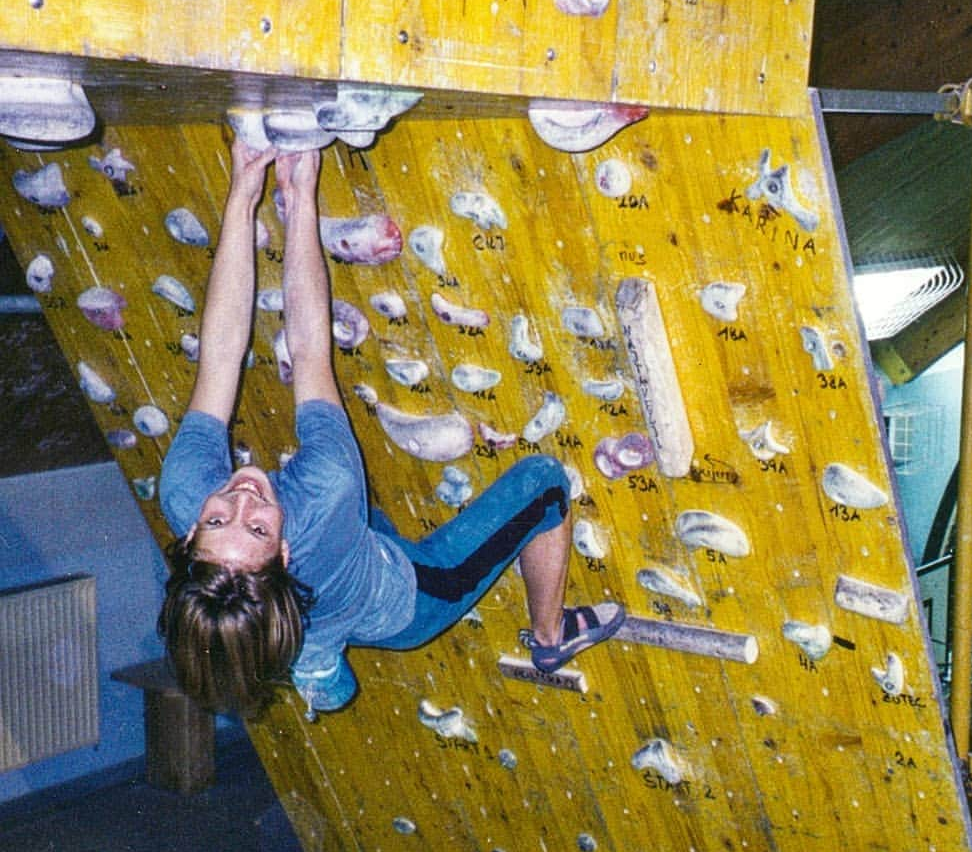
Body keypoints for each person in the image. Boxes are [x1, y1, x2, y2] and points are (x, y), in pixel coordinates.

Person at [157, 136, 625, 718]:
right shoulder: (327, 491)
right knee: (546, 483)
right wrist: (302, 199)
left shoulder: (183, 489)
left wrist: (242, 193)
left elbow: (220, 353)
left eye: (217, 518)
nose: (243, 496)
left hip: (330, 574)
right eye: (254, 530)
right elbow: (309, 350)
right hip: (404, 600)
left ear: (188, 536)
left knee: (331, 618)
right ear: (281, 553)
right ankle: (551, 637)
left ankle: (310, 659)